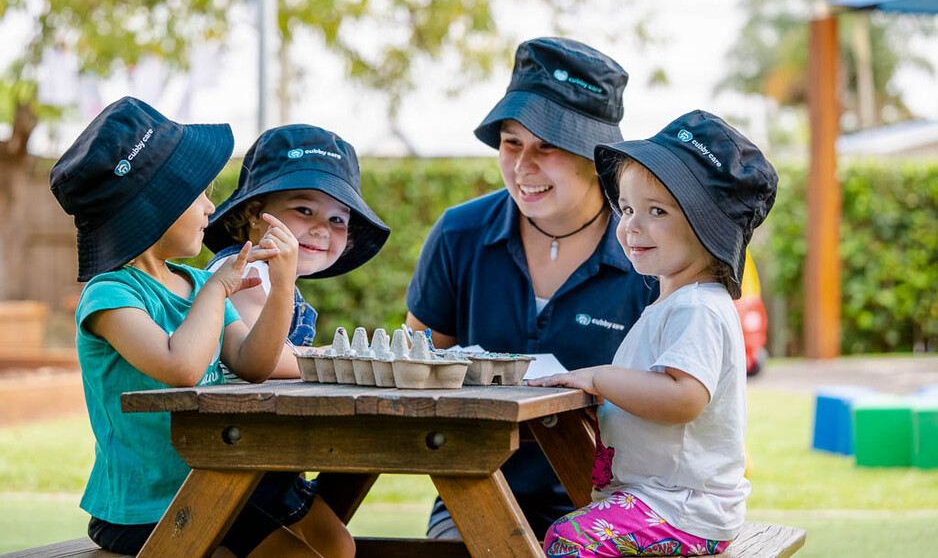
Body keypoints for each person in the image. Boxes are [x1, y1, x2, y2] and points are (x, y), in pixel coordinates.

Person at [50, 98, 351, 557]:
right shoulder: (111, 296)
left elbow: (253, 363)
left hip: (219, 488)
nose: (212, 208)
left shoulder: (195, 281)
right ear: (153, 206)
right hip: (143, 509)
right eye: (199, 195)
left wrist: (282, 283)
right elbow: (182, 366)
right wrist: (216, 291)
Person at [405, 37, 658, 539]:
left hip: (618, 503)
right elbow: (415, 367)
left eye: (548, 146)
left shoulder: (652, 253)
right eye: (512, 142)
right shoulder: (459, 233)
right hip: (474, 489)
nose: (523, 167)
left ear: (597, 159)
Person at [527, 110, 778, 557]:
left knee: (571, 539)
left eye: (656, 211)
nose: (631, 226)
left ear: (708, 228)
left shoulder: (697, 307)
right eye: (626, 209)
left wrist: (600, 379)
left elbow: (683, 398)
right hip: (663, 502)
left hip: (683, 510)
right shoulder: (673, 304)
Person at [204, 124, 390, 377]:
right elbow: (263, 362)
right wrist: (335, 356)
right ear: (254, 214)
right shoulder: (247, 272)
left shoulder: (272, 276)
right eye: (304, 210)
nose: (322, 229)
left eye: (337, 219)